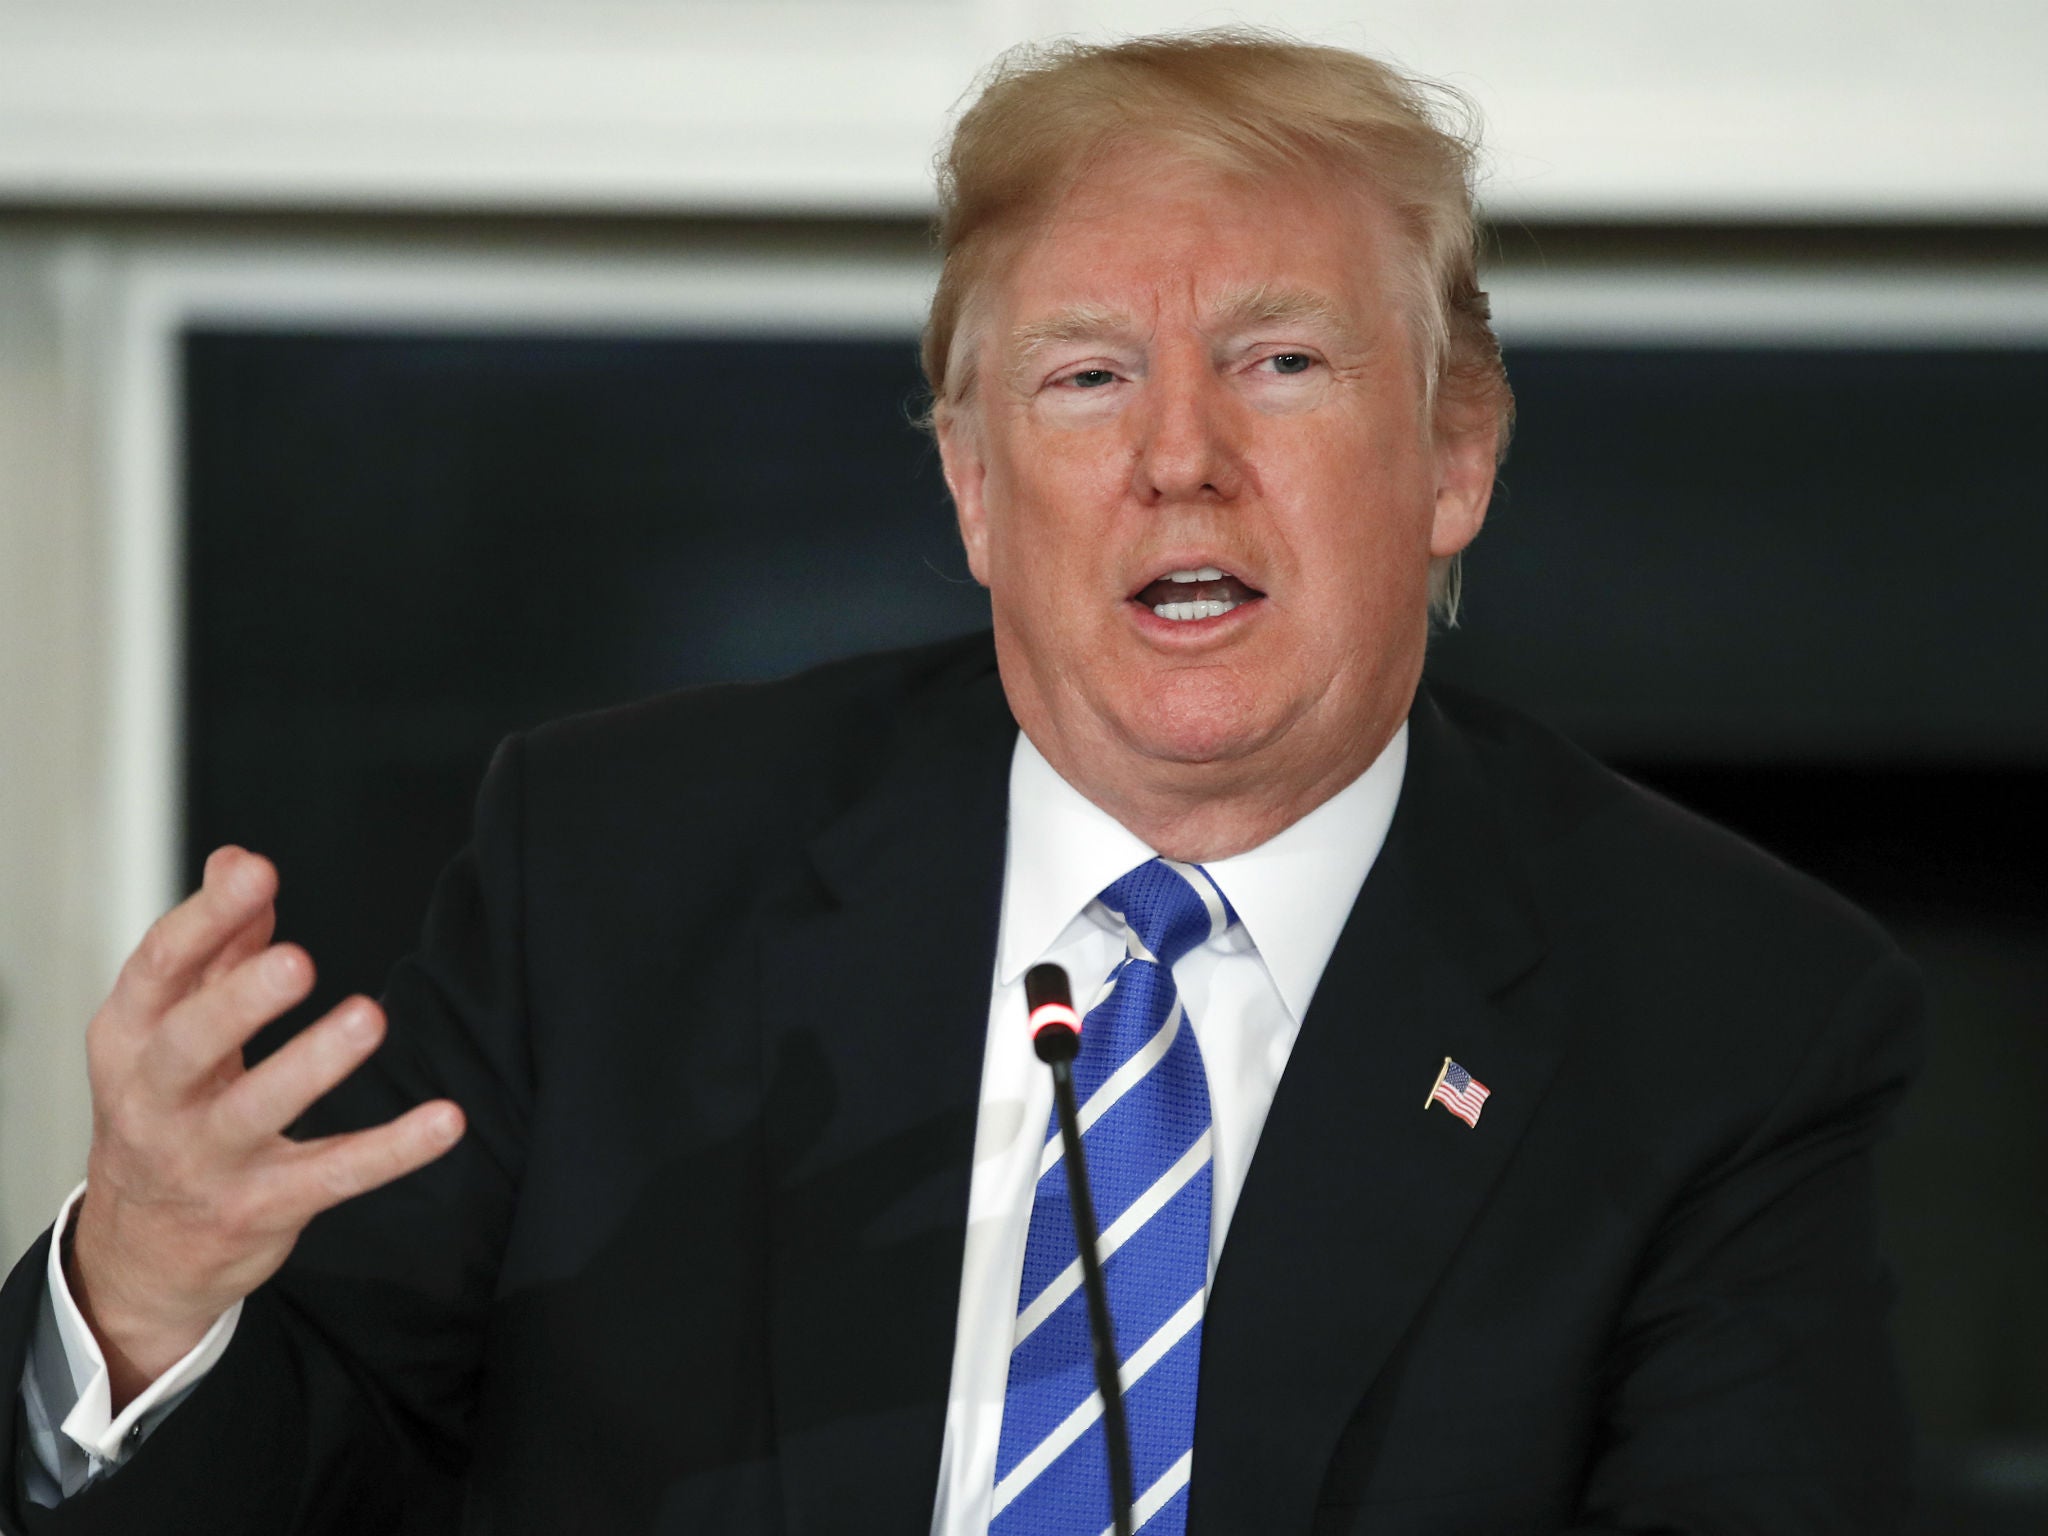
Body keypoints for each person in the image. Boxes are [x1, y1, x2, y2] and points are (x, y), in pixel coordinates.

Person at [0, 31, 1921, 1536]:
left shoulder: (1730, 1012)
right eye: (1085, 378)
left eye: (1281, 362)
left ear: (1455, 459)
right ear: (973, 486)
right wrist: (148, 1297)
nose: (1182, 457)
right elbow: (328, 1477)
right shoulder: (616, 874)